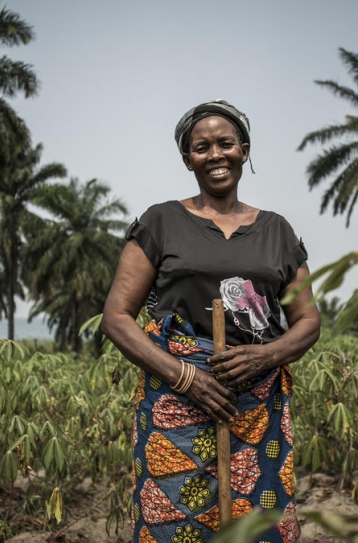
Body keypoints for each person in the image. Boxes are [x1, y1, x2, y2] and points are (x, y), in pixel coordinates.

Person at [101, 99, 320, 543]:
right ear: (188, 160)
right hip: (175, 398)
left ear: (244, 149)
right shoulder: (161, 222)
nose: (215, 154)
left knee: (259, 520)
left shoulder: (277, 231)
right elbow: (116, 317)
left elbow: (308, 320)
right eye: (202, 147)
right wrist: (186, 378)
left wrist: (266, 355)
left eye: (226, 143)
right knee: (174, 520)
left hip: (257, 404)